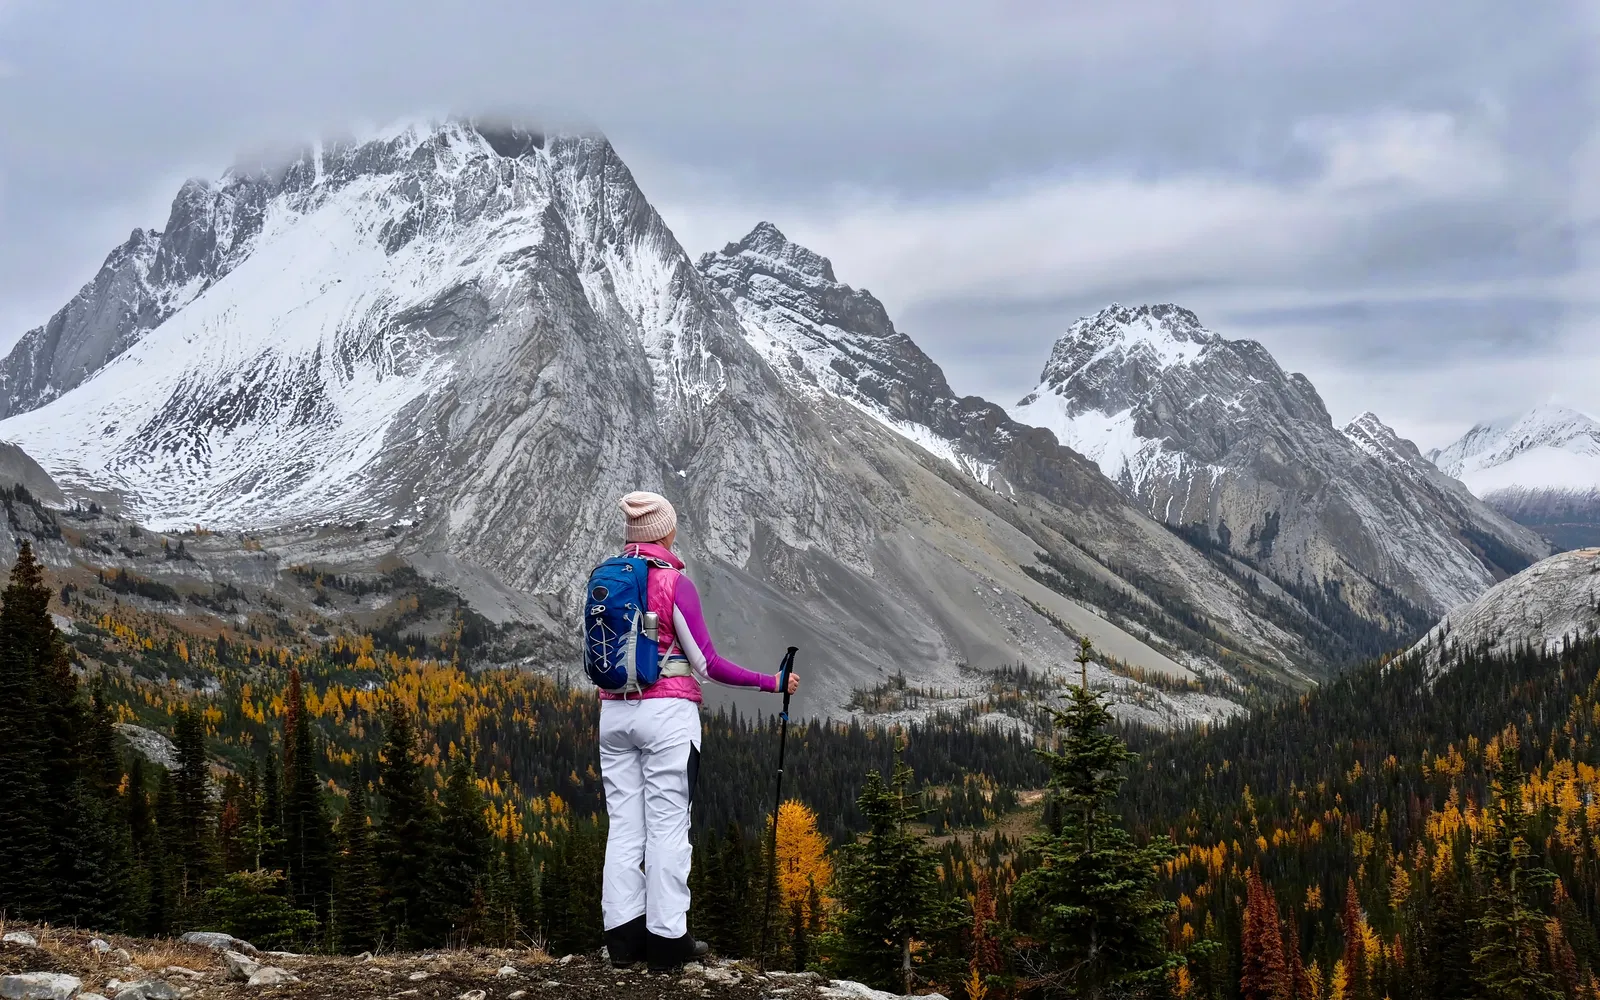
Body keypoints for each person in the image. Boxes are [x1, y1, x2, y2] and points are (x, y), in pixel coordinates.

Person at [599, 490, 802, 971]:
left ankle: (622, 941)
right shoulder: (674, 583)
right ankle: (668, 940)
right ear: (665, 532)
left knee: (624, 826)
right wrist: (771, 682)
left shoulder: (606, 579)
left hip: (613, 713)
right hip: (667, 716)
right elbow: (707, 665)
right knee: (668, 825)